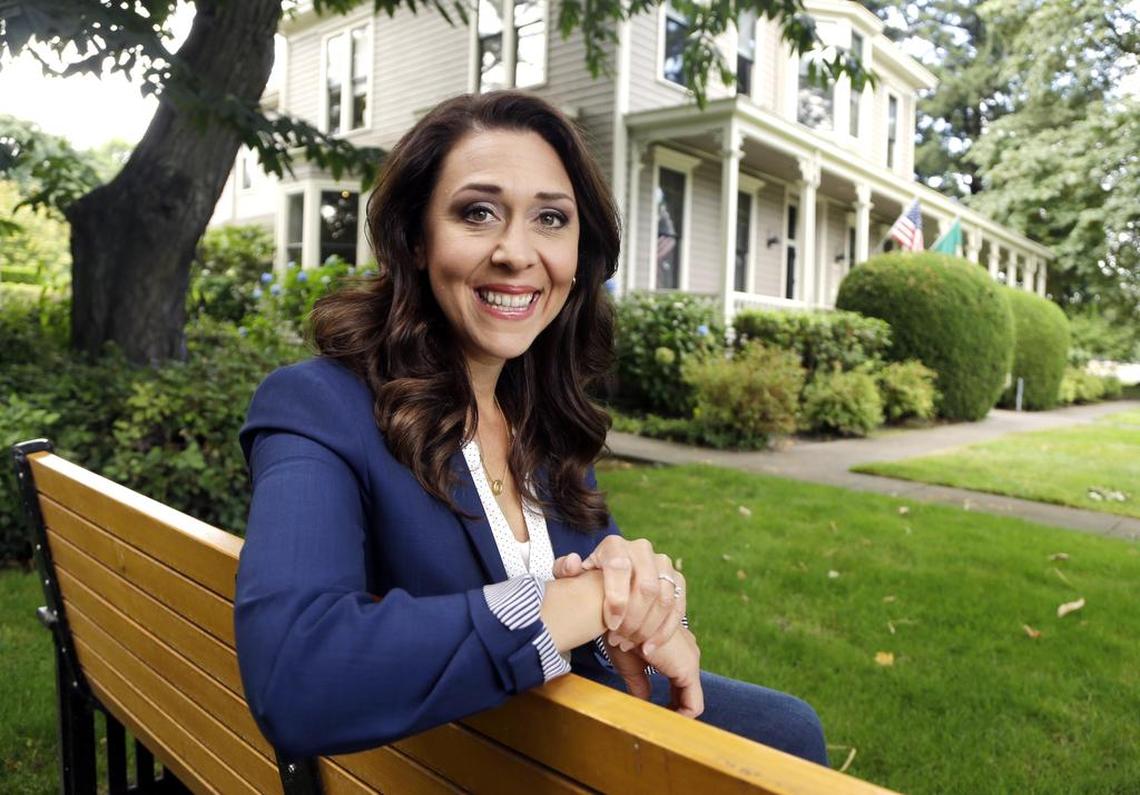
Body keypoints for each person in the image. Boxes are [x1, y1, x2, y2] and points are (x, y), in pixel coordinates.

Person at [234, 90, 828, 766]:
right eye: (478, 212)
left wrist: (639, 603)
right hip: (469, 769)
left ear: (580, 254)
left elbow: (597, 620)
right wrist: (580, 601)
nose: (517, 252)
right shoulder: (318, 406)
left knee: (788, 732)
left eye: (550, 218)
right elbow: (297, 676)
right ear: (417, 238)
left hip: (535, 747)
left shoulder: (543, 418)